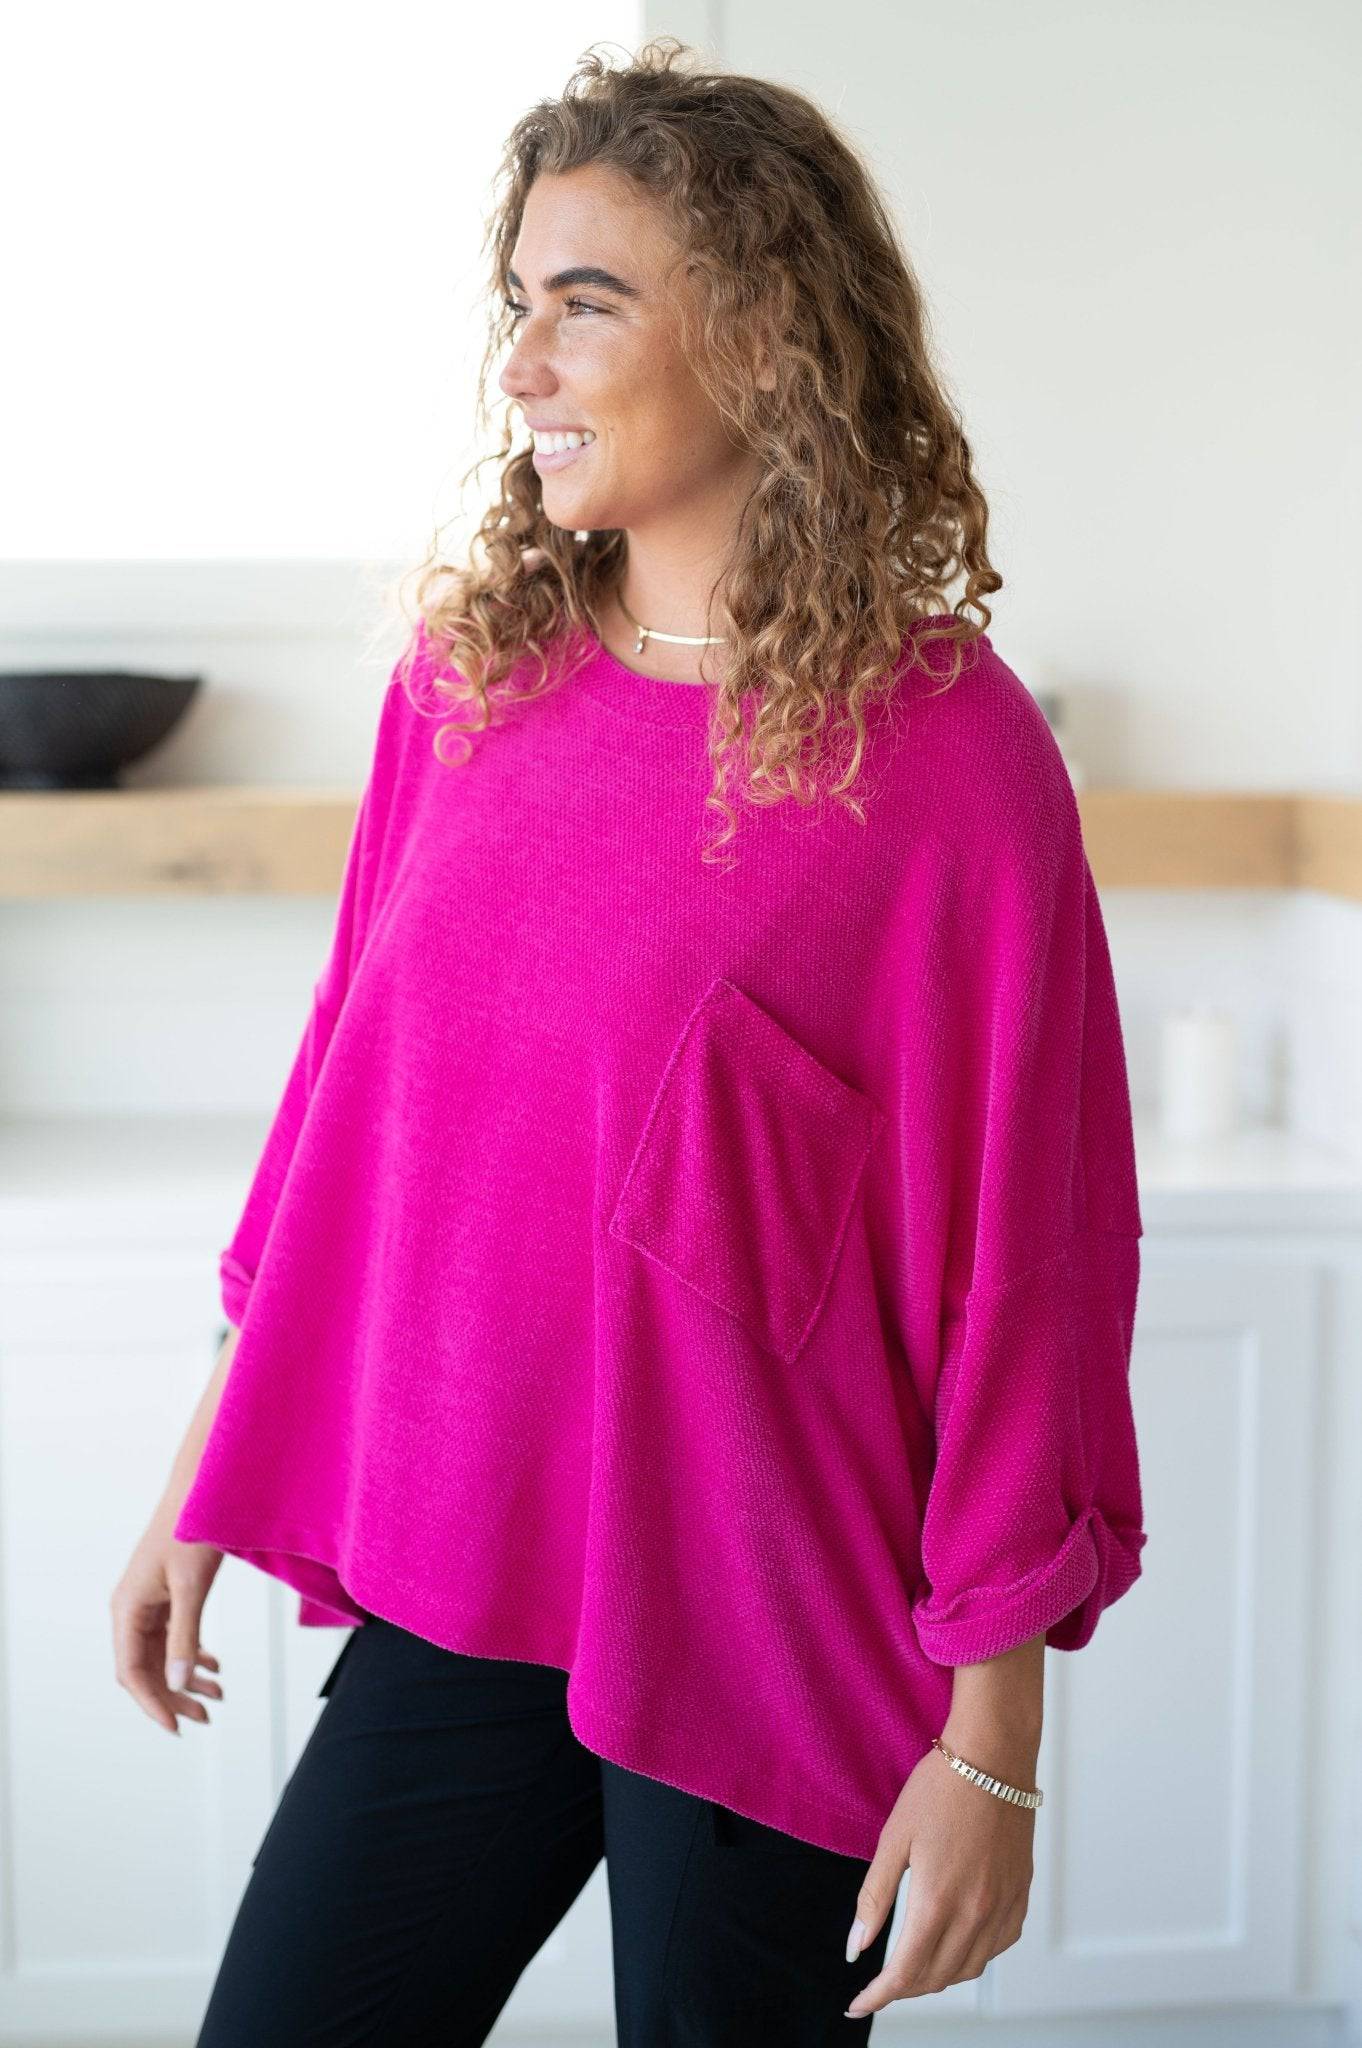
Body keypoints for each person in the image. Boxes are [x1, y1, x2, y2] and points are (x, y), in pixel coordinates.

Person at [109, 36, 1147, 2046]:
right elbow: (343, 1117)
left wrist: (996, 1743)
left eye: (583, 304)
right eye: (517, 303)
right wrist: (205, 1477)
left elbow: (1027, 1267)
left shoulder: (947, 761)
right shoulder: (467, 691)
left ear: (763, 336)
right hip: (468, 1554)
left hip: (766, 1612)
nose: (521, 366)